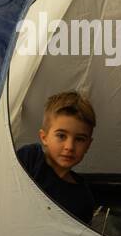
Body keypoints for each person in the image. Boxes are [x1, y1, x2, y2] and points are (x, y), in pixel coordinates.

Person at [16, 91, 97, 225]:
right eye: (61, 136)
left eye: (79, 139)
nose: (69, 146)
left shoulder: (82, 198)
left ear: (88, 145)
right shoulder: (29, 159)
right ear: (44, 137)